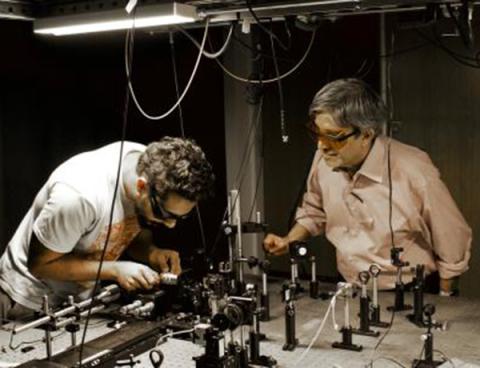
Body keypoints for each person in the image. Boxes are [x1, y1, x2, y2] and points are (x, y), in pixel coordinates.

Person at [264, 78, 471, 294]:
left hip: (408, 290)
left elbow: (452, 241)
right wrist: (288, 241)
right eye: (317, 133)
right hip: (351, 286)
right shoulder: (324, 161)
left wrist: (445, 300)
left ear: (366, 134)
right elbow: (314, 212)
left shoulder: (414, 171)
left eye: (334, 137)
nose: (321, 146)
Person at [0, 137, 214, 321]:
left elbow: (129, 227)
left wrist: (151, 252)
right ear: (141, 187)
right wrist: (115, 270)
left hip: (77, 301)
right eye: (165, 215)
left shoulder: (148, 164)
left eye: (181, 217)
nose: (170, 225)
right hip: (28, 299)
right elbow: (40, 265)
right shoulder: (79, 195)